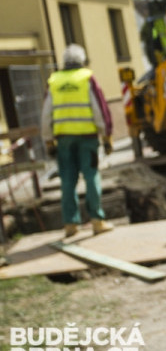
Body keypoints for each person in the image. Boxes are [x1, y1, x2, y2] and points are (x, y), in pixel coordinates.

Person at [40, 44, 115, 238]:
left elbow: (46, 114)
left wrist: (48, 140)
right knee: (91, 177)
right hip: (87, 138)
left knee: (67, 180)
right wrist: (106, 134)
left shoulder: (54, 81)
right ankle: (97, 221)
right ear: (82, 60)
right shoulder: (86, 79)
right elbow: (100, 109)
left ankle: (70, 225)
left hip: (64, 140)